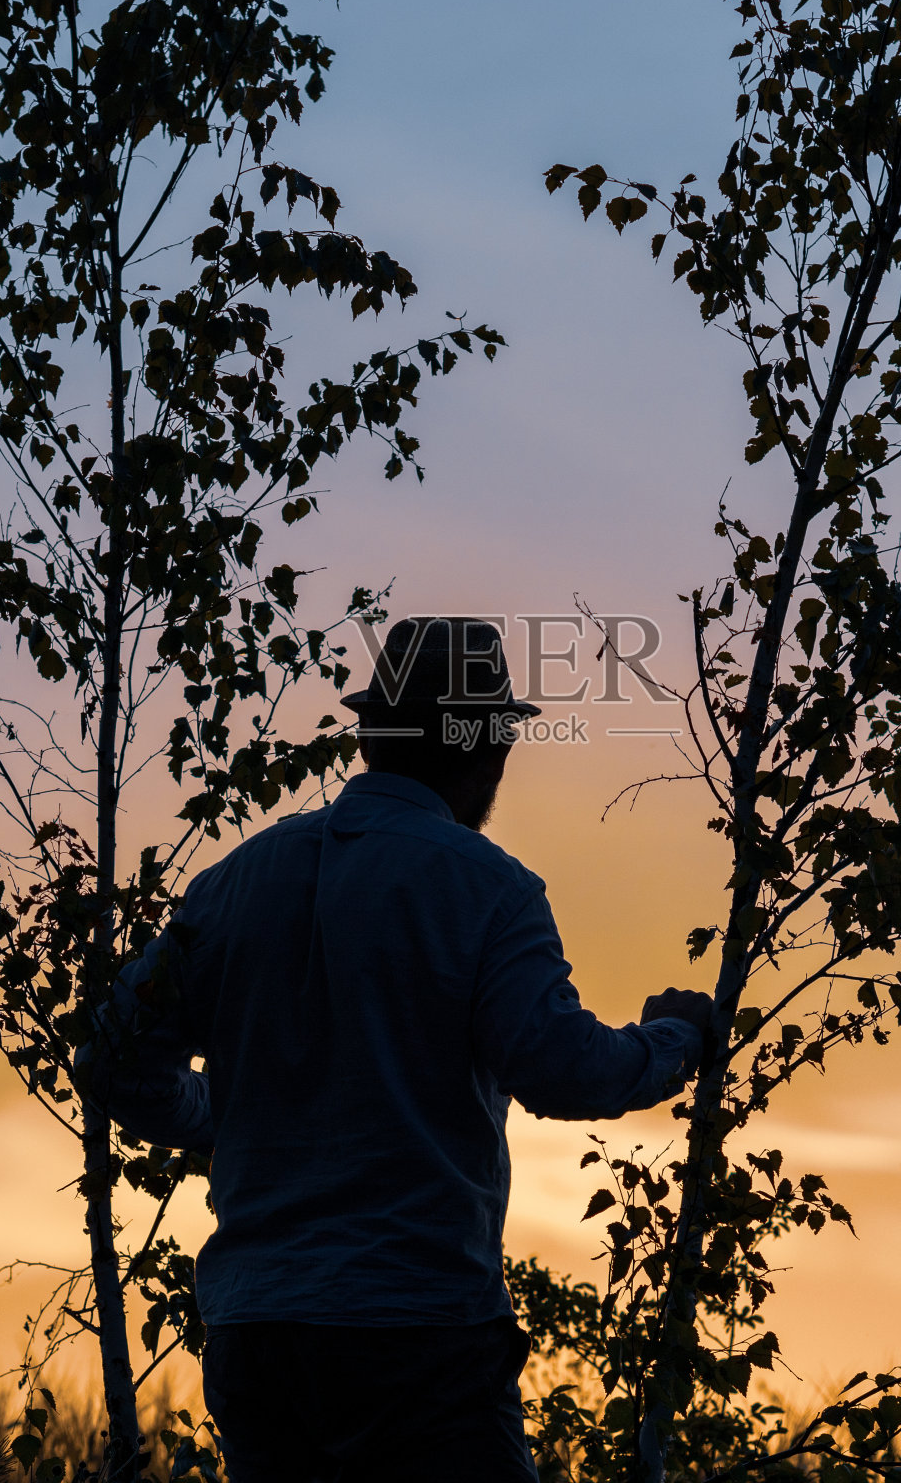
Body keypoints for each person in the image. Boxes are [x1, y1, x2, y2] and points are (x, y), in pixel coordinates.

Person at [78, 618, 714, 1482]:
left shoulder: (234, 884)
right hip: (419, 1332)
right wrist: (677, 1038)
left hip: (257, 1335)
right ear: (488, 750)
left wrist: (219, 1123)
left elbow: (113, 1060)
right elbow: (567, 1072)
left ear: (372, 738)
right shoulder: (488, 890)